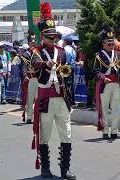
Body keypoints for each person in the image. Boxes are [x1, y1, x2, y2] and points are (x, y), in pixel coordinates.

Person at [31, 2, 76, 179]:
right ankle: (45, 168)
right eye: (49, 36)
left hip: (61, 98)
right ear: (42, 35)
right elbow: (33, 65)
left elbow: (67, 72)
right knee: (45, 135)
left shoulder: (62, 52)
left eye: (54, 36)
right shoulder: (37, 51)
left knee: (67, 133)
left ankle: (65, 169)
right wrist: (45, 63)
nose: (53, 39)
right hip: (45, 100)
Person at [94, 26, 120, 140]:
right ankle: (106, 131)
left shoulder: (117, 55)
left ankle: (115, 131)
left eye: (112, 44)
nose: (111, 46)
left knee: (116, 108)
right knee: (105, 108)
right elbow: (96, 71)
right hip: (105, 84)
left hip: (116, 84)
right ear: (103, 43)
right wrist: (102, 78)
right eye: (108, 44)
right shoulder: (99, 55)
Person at [63, 38, 77, 105]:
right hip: (72, 68)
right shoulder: (73, 50)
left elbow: (66, 60)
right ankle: (71, 101)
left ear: (65, 42)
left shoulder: (65, 49)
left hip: (66, 68)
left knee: (66, 84)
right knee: (71, 84)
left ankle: (67, 100)